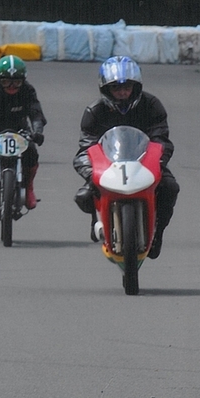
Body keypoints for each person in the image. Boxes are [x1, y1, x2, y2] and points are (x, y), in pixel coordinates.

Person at [72, 56, 179, 258]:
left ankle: (158, 233)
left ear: (135, 87)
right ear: (106, 89)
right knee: (83, 196)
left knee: (170, 188)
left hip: (145, 163)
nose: (122, 92)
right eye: (116, 88)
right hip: (108, 167)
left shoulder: (152, 105)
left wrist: (158, 162)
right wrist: (91, 173)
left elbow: (161, 139)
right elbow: (86, 148)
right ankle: (98, 220)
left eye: (127, 87)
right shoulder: (94, 112)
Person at [0, 56, 45, 209]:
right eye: (6, 82)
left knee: (31, 152)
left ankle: (29, 187)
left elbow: (36, 114)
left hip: (20, 130)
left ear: (23, 80)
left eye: (16, 82)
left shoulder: (28, 90)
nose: (11, 86)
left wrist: (37, 131)